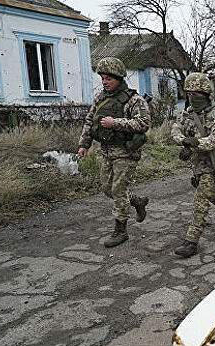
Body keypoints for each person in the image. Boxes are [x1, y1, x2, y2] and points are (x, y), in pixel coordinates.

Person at [78, 57, 150, 248]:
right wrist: (84, 144)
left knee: (118, 190)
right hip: (107, 151)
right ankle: (137, 201)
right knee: (107, 188)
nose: (104, 82)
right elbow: (89, 120)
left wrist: (115, 123)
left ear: (118, 78)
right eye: (102, 78)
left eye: (108, 78)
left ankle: (120, 231)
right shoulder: (100, 98)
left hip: (126, 152)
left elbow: (143, 123)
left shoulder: (134, 100)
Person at [171, 72, 215, 258]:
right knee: (212, 194)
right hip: (198, 165)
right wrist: (183, 141)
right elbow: (176, 129)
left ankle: (191, 241)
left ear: (207, 94)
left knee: (201, 201)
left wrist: (193, 145)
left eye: (196, 94)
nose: (192, 97)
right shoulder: (188, 113)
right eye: (189, 94)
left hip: (214, 164)